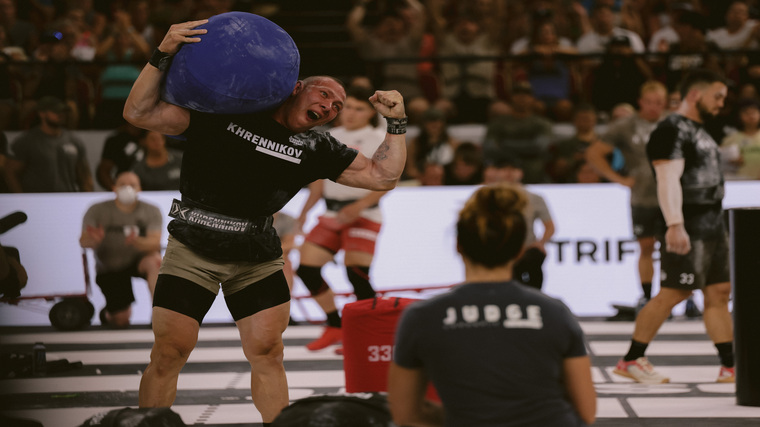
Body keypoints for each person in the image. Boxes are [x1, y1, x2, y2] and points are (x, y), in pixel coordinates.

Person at [122, 19, 407, 425]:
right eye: (324, 94)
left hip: (256, 257)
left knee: (268, 354)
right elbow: (139, 112)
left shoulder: (318, 146)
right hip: (193, 250)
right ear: (295, 88)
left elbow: (384, 176)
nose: (330, 106)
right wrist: (162, 52)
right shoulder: (228, 111)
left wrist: (397, 124)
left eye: (337, 106)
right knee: (168, 354)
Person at [388, 183, 595, 426]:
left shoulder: (422, 316)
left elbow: (405, 415)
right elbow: (586, 411)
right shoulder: (554, 311)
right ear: (519, 251)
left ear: (458, 246)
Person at [614, 70, 734, 384]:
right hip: (689, 222)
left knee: (719, 292)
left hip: (712, 221)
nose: (722, 103)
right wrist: (675, 224)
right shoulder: (671, 130)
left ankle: (731, 366)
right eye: (717, 96)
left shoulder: (699, 130)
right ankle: (631, 359)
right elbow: (667, 179)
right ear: (696, 94)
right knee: (674, 293)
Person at [295, 85, 388, 352]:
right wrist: (303, 215)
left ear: (371, 112)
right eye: (347, 107)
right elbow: (316, 183)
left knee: (356, 274)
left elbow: (387, 180)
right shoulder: (329, 136)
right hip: (332, 212)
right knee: (307, 269)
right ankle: (336, 325)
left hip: (364, 214)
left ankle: (368, 334)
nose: (351, 113)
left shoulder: (377, 137)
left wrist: (358, 207)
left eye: (360, 108)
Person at [586, 81, 668, 313]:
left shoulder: (673, 122)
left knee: (676, 248)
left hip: (672, 195)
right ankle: (646, 296)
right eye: (650, 103)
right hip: (642, 195)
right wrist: (618, 178)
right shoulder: (626, 126)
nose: (654, 107)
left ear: (665, 103)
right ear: (641, 102)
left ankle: (681, 296)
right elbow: (594, 152)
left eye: (659, 103)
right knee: (646, 248)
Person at [79, 172, 163, 328]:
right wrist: (94, 239)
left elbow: (155, 244)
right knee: (121, 320)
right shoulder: (97, 210)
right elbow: (83, 241)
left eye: (132, 185)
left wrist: (137, 241)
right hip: (110, 267)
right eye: (123, 184)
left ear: (140, 189)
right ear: (114, 188)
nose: (127, 188)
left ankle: (159, 314)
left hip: (139, 261)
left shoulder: (151, 210)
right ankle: (109, 312)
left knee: (156, 261)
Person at [483, 158, 555, 290]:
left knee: (534, 259)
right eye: (504, 169)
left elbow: (550, 226)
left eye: (513, 169)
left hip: (527, 249)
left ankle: (535, 298)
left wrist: (540, 243)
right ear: (497, 172)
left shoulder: (534, 198)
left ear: (520, 173)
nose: (509, 173)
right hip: (500, 248)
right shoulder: (488, 196)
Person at [5, 96, 93, 193]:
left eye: (63, 111)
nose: (61, 115)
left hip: (68, 199)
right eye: (56, 111)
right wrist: (21, 199)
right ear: (42, 114)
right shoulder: (27, 141)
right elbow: (10, 172)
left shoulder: (74, 141)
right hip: (38, 200)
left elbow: (84, 175)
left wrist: (87, 197)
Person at [482, 81, 554, 184]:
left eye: (526, 94)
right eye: (518, 94)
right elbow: (490, 147)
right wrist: (525, 149)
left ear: (532, 98)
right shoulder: (498, 123)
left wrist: (504, 144)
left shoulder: (543, 123)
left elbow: (540, 147)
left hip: (533, 170)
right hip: (503, 165)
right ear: (511, 97)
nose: (522, 98)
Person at [96, 121, 145, 191]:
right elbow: (104, 170)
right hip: (124, 187)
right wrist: (114, 189)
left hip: (151, 189)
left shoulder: (153, 136)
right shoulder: (115, 141)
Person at [720, 98, 760, 180]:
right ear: (739, 116)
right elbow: (720, 162)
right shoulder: (730, 139)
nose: (751, 116)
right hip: (739, 183)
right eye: (746, 113)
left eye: (754, 112)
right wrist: (729, 162)